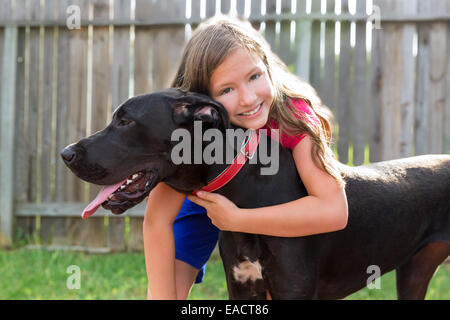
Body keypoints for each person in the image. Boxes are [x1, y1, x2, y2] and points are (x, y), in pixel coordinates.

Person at [143, 16, 348, 300]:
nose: (249, 98)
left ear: (267, 66)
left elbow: (334, 210)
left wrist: (237, 219)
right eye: (227, 90)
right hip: (203, 201)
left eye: (254, 76)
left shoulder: (292, 117)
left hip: (268, 201)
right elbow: (157, 221)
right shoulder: (190, 130)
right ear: (204, 102)